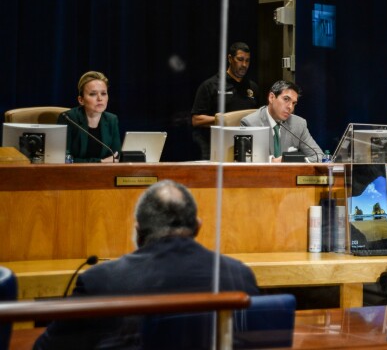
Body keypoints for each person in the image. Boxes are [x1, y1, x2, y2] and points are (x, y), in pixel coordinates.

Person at [33, 180, 259, 349]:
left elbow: (46, 348)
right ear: (198, 226)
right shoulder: (239, 276)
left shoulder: (99, 282)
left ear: (138, 231)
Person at [191, 42, 260, 159]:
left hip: (247, 149)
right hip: (216, 149)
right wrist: (223, 120)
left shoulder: (252, 87)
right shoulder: (210, 86)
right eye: (240, 59)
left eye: (247, 60)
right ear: (230, 58)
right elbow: (196, 120)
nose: (244, 64)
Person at [241, 80, 323, 162]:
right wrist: (272, 162)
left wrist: (292, 160)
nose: (290, 107)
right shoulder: (250, 124)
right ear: (271, 97)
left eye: (294, 103)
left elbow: (318, 156)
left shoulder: (298, 124)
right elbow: (244, 160)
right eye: (286, 99)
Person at [57, 71, 121, 163]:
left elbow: (116, 156)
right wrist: (100, 162)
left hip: (104, 174)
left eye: (103, 93)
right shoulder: (68, 118)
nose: (100, 98)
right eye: (93, 94)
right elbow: (63, 159)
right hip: (73, 174)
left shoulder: (112, 120)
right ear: (81, 100)